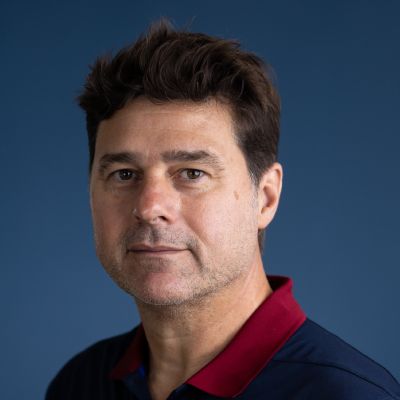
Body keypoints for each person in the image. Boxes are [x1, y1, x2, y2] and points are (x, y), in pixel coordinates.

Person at [46, 20, 400, 400]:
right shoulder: (80, 383)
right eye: (124, 174)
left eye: (192, 173)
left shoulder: (346, 394)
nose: (149, 207)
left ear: (265, 197)